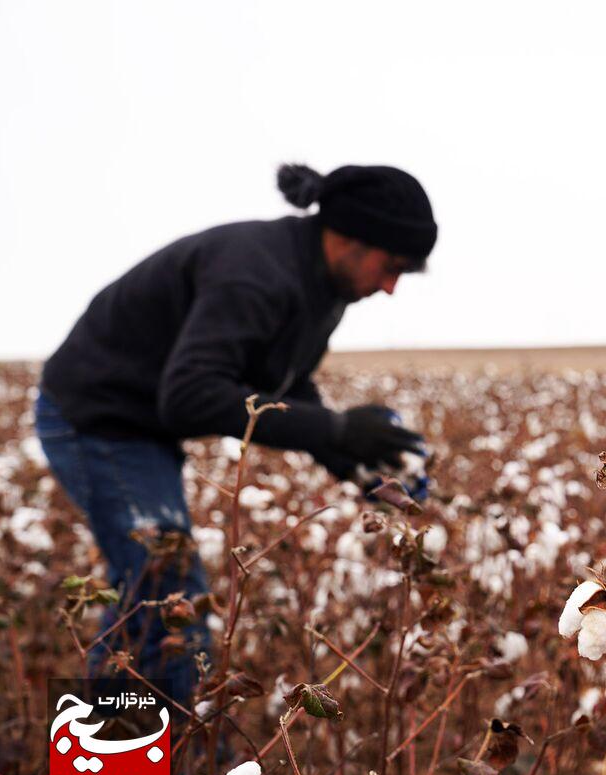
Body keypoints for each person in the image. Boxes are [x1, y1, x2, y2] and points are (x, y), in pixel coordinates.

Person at [36, 163, 437, 706]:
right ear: (346, 237)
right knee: (163, 591)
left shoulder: (325, 286)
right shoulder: (255, 273)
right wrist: (334, 428)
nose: (390, 287)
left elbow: (287, 383)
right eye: (391, 266)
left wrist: (349, 457)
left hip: (140, 423)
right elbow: (189, 395)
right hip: (96, 417)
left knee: (151, 590)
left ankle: (157, 764)